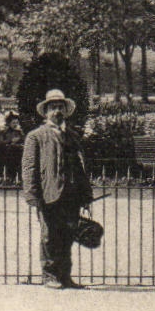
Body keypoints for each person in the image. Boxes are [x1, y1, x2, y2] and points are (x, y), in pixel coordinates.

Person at [21, 89, 95, 289]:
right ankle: (49, 275)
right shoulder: (35, 137)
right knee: (49, 234)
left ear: (66, 111)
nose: (57, 112)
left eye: (60, 107)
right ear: (45, 112)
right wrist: (32, 194)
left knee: (68, 235)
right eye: (53, 108)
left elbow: (80, 167)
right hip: (48, 193)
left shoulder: (71, 136)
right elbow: (29, 167)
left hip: (70, 195)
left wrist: (86, 194)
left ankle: (65, 276)